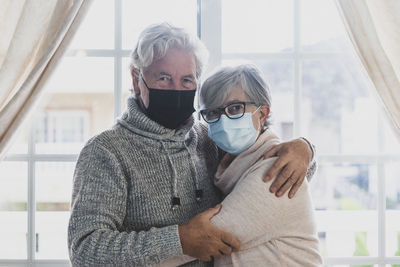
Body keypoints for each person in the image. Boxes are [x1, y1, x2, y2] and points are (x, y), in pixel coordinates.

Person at [68, 23, 316, 266]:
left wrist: (305, 150)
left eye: (187, 80)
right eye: (164, 78)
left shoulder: (209, 138)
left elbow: (274, 181)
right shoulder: (106, 152)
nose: (176, 89)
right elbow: (85, 251)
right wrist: (178, 240)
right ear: (136, 79)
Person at [200, 64, 322, 266]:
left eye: (235, 108)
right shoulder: (230, 166)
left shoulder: (276, 168)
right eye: (213, 112)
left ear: (262, 113)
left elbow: (206, 237)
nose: (223, 120)